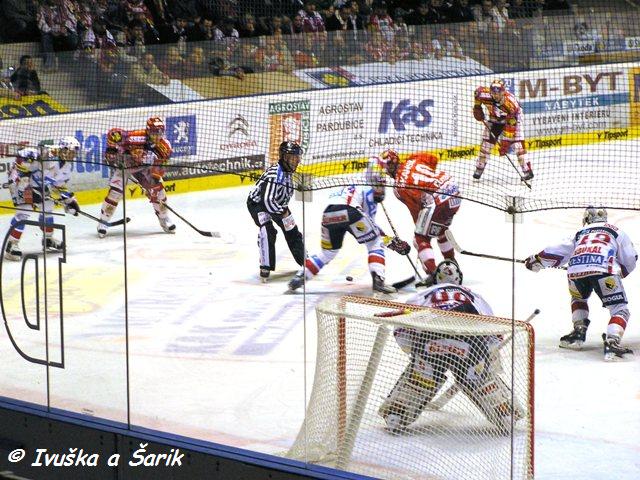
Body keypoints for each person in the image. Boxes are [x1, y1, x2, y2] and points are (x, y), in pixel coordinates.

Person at [378, 260, 522, 433]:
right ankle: (505, 414)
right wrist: (487, 354)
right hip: (470, 340)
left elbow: (402, 328)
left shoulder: (424, 293)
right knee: (481, 379)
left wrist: (415, 352)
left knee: (420, 378)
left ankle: (396, 415)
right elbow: (493, 329)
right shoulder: (473, 295)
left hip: (431, 336)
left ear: (435, 279)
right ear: (459, 279)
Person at [525, 207, 637, 361]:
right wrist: (620, 272)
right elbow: (630, 258)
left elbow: (558, 250)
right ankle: (612, 342)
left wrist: (536, 260)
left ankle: (578, 333)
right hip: (604, 271)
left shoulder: (580, 233)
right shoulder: (616, 231)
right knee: (620, 308)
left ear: (587, 219)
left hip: (575, 271)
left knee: (578, 299)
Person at [287, 158, 410, 294]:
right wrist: (391, 242)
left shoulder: (353, 183)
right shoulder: (369, 191)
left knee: (328, 252)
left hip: (329, 215)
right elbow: (372, 228)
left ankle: (299, 277)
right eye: (380, 185)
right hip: (350, 213)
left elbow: (369, 226)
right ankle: (378, 281)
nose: (381, 190)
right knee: (375, 242)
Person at [382, 149, 461, 286]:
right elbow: (433, 158)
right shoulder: (413, 158)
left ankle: (434, 274)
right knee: (440, 230)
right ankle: (452, 264)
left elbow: (416, 209)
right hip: (454, 190)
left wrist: (420, 229)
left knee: (420, 238)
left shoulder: (398, 188)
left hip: (439, 200)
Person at [5, 137, 81, 261]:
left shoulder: (67, 166)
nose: (73, 155)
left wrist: (69, 201)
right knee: (25, 211)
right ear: (64, 149)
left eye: (75, 152)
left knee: (48, 206)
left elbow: (59, 185)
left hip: (38, 184)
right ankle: (11, 245)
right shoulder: (47, 154)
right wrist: (24, 179)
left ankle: (48, 239)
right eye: (72, 151)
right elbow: (21, 156)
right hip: (20, 181)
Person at [96, 116, 174, 237]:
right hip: (126, 166)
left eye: (160, 132)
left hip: (144, 168)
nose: (158, 135)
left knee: (159, 192)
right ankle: (103, 221)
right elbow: (113, 134)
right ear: (148, 131)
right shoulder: (135, 137)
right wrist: (111, 152)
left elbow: (159, 167)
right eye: (154, 132)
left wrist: (153, 186)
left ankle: (164, 218)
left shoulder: (165, 147)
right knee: (115, 193)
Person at [247, 141, 305, 282]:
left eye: (297, 158)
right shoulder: (274, 175)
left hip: (277, 204)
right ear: (284, 157)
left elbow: (284, 196)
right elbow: (266, 201)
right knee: (267, 230)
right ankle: (265, 266)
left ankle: (305, 260)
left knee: (291, 229)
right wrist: (282, 212)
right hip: (258, 204)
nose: (296, 161)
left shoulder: (288, 173)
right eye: (293, 158)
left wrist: (286, 216)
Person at [473, 79, 533, 181]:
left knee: (518, 146)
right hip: (494, 119)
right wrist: (477, 107)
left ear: (503, 92)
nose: (495, 95)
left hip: (513, 120)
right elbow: (477, 94)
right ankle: (479, 168)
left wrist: (505, 143)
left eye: (498, 93)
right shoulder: (483, 93)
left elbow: (511, 126)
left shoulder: (510, 104)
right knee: (486, 144)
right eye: (493, 93)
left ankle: (528, 171)